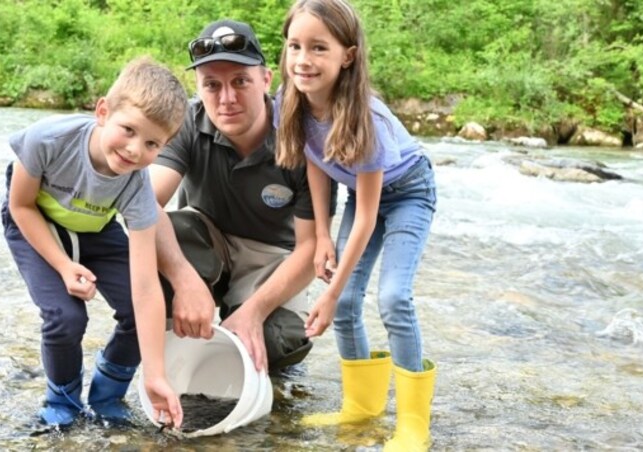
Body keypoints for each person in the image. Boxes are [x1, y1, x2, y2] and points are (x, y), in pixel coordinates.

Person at [275, 0, 438, 450]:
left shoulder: (367, 118)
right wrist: (323, 235)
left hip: (408, 194)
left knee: (393, 297)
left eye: (318, 48)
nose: (303, 60)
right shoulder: (292, 102)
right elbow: (316, 163)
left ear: (347, 55)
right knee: (347, 301)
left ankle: (412, 426)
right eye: (295, 46)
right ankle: (362, 410)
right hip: (358, 198)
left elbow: (367, 218)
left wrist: (325, 296)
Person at [0, 56, 187, 429]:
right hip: (35, 221)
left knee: (150, 306)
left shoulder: (137, 187)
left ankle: (107, 395)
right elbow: (20, 206)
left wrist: (155, 374)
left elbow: (146, 285)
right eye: (129, 130)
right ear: (103, 111)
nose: (135, 150)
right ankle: (63, 400)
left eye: (153, 143)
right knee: (66, 317)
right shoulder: (48, 139)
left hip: (95, 229)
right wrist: (63, 265)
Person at [150, 19, 335, 374]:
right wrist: (182, 278)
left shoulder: (305, 139)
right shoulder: (186, 121)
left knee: (277, 341)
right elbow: (144, 203)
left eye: (240, 82)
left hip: (274, 260)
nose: (227, 98)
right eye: (212, 85)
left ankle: (240, 324)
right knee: (172, 233)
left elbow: (310, 248)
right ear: (198, 87)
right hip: (205, 245)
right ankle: (180, 353)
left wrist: (254, 312)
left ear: (266, 80)